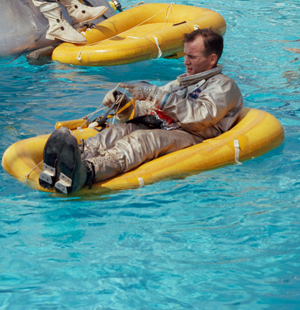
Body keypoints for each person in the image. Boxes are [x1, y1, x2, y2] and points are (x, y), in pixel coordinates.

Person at [39, 28, 243, 194]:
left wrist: (156, 95)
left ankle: (89, 172)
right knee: (116, 132)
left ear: (212, 59)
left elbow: (200, 118)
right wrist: (125, 106)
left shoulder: (224, 85)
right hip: (165, 125)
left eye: (192, 56)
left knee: (141, 141)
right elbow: (153, 107)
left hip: (193, 135)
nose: (185, 61)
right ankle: (72, 157)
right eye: (185, 55)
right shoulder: (182, 82)